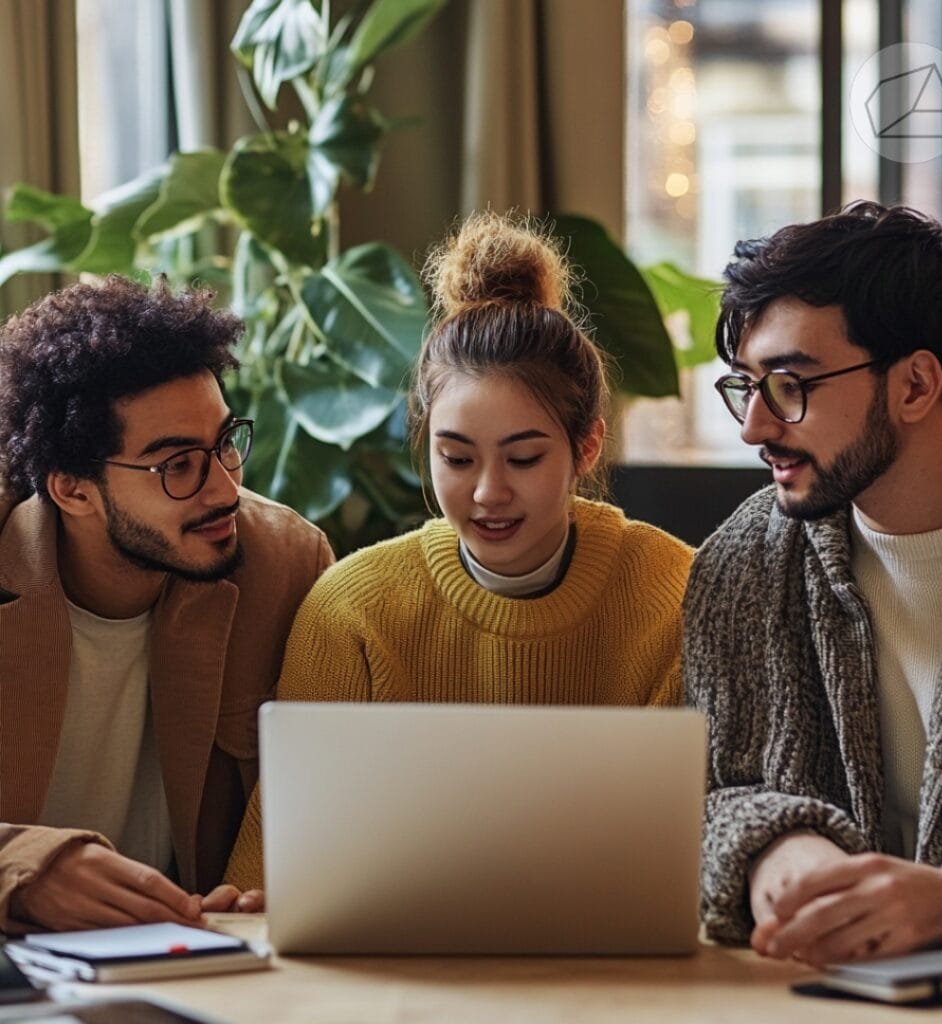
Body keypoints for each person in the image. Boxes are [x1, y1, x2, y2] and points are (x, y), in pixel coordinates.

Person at [223, 211, 696, 895]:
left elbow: (698, 848)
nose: (487, 493)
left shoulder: (673, 593)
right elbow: (275, 864)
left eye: (524, 457)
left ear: (586, 447)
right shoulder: (353, 608)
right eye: (456, 457)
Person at [683, 200, 942, 966]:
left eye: (790, 384)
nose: (755, 428)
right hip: (808, 998)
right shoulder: (744, 560)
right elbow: (704, 796)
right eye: (746, 386)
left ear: (914, 386)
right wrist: (776, 850)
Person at [0, 276, 333, 933]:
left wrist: (266, 889)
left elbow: (338, 795)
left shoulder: (286, 565)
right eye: (176, 465)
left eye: (225, 442)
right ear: (71, 490)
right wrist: (22, 864)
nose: (225, 489)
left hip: (197, 959)